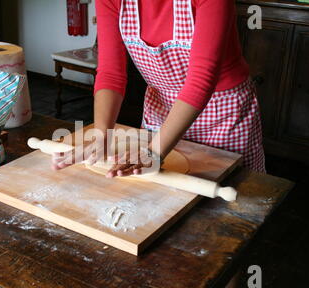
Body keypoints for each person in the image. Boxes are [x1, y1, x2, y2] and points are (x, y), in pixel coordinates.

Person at [52, 0, 266, 177]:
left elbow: (202, 78)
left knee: (225, 196)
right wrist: (102, 136)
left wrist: (154, 152)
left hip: (222, 113)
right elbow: (111, 73)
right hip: (161, 108)